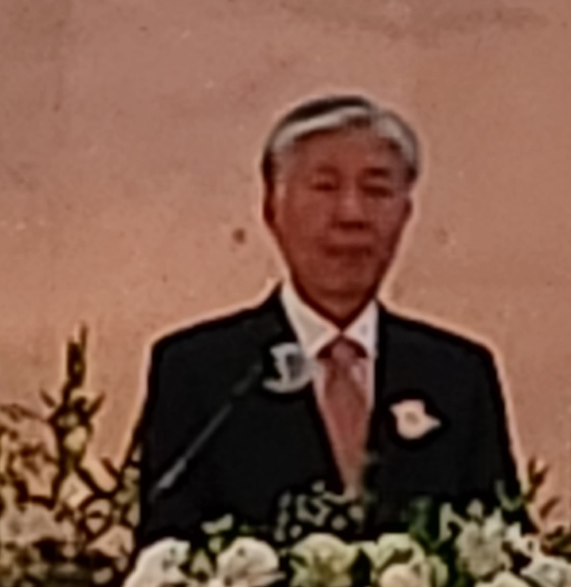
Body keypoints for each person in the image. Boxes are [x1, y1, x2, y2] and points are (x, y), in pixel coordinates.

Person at [132, 93, 523, 546]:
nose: (351, 215)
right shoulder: (202, 371)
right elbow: (167, 548)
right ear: (272, 208)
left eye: (376, 191)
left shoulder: (456, 374)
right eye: (324, 187)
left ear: (405, 213)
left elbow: (504, 540)